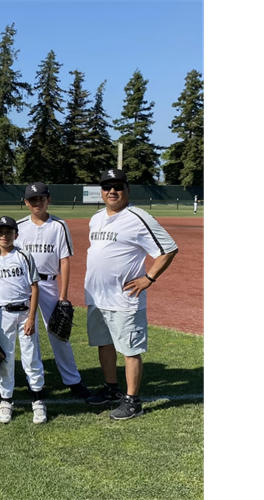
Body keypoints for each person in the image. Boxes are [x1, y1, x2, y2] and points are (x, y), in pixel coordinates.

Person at [84, 169, 178, 420]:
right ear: (101, 191)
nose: (112, 191)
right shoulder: (96, 218)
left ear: (127, 189)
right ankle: (111, 389)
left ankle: (133, 401)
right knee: (104, 344)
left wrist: (149, 278)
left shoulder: (138, 217)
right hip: (97, 297)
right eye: (107, 187)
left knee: (129, 349)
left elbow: (168, 249)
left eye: (117, 186)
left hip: (124, 299)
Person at [16, 182, 91, 399]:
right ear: (26, 203)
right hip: (25, 285)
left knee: (59, 333)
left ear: (49, 200)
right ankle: (34, 381)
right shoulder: (20, 226)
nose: (37, 203)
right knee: (28, 334)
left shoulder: (58, 225)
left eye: (41, 198)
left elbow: (64, 261)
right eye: (32, 199)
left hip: (49, 284)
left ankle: (73, 380)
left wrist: (64, 296)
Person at [0, 216, 47, 424]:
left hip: (25, 312)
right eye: (0, 232)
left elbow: (34, 287)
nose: (4, 235)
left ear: (16, 234)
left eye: (9, 232)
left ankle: (38, 400)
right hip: (4, 314)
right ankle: (6, 400)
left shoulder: (24, 256)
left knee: (31, 357)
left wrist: (31, 317)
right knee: (5, 358)